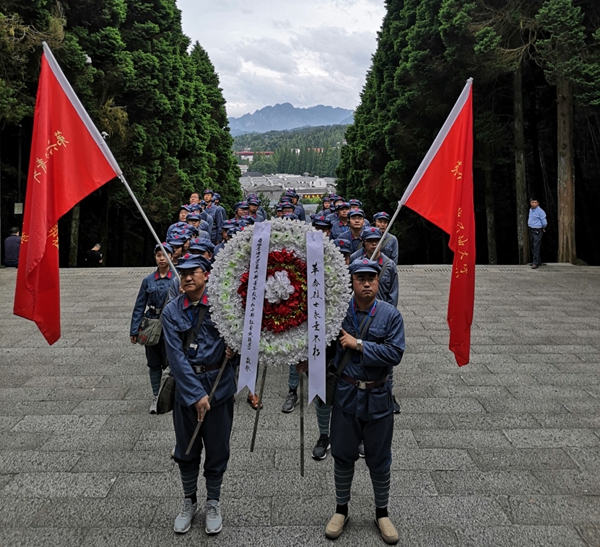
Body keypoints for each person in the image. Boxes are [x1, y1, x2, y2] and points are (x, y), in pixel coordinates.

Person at [324, 258, 405, 544]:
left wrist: (358, 344)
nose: (367, 283)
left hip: (378, 397)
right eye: (361, 279)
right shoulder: (338, 314)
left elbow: (395, 353)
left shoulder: (390, 315)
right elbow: (325, 348)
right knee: (343, 454)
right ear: (352, 282)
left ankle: (382, 513)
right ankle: (341, 510)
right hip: (346, 396)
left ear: (378, 281)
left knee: (379, 458)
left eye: (372, 278)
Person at [162, 254, 239, 536]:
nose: (186, 277)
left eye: (193, 272)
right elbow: (175, 357)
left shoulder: (223, 305)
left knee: (217, 448)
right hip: (187, 388)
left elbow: (241, 338)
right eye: (182, 273)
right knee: (186, 448)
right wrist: (196, 395)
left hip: (219, 385)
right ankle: (189, 500)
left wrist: (234, 350)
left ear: (206, 274)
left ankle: (213, 502)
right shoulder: (171, 311)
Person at [130, 243, 175, 413]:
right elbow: (139, 305)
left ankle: (170, 395)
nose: (162, 258)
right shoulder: (148, 280)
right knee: (154, 363)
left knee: (172, 361)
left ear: (172, 256)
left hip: (171, 325)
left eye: (165, 255)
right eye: (158, 255)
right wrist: (134, 329)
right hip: (152, 325)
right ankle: (156, 396)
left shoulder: (177, 278)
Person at [528, 198, 547, 269]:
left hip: (537, 230)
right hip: (531, 229)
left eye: (535, 202)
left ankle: (535, 263)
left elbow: (544, 221)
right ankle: (537, 261)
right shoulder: (531, 210)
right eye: (532, 202)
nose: (533, 204)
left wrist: (543, 227)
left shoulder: (540, 211)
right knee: (532, 245)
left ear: (538, 203)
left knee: (536, 246)